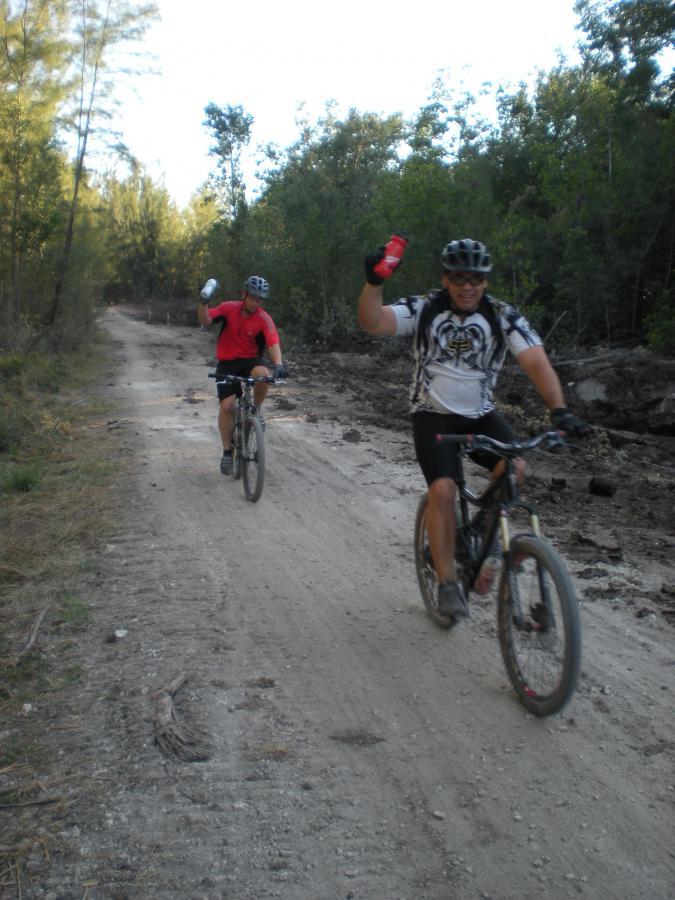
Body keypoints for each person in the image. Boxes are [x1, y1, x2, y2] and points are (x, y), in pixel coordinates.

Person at [357, 237, 589, 622]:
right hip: (432, 415)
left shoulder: (501, 315)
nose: (468, 286)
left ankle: (480, 529)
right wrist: (373, 282)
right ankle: (448, 583)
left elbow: (536, 362)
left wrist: (559, 411)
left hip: (480, 414)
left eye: (476, 278)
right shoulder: (425, 308)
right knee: (443, 490)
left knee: (514, 468)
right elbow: (373, 321)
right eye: (459, 277)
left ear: (486, 279)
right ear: (446, 278)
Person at [198, 275, 288, 474]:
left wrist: (279, 364)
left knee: (264, 375)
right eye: (253, 297)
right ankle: (227, 452)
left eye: (260, 299)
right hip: (227, 363)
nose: (257, 302)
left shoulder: (264, 318)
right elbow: (205, 319)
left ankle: (255, 410)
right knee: (227, 405)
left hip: (250, 361)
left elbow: (273, 343)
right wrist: (204, 302)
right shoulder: (229, 308)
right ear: (244, 294)